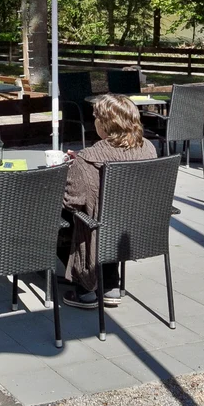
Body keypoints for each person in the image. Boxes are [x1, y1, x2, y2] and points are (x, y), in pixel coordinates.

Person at [59, 93, 156, 309]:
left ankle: (86, 289)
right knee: (109, 215)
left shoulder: (89, 158)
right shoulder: (148, 148)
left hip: (100, 230)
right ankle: (110, 284)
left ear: (103, 124)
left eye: (96, 117)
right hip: (137, 228)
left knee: (64, 218)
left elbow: (71, 201)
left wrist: (75, 168)